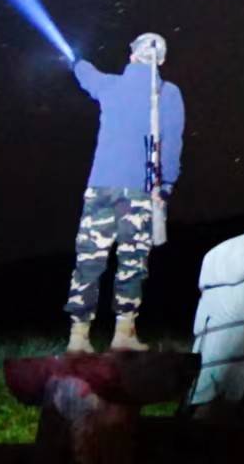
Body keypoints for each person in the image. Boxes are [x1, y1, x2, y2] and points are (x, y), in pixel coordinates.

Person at [63, 31, 186, 353]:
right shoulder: (168, 93)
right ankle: (123, 334)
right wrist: (167, 184)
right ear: (161, 60)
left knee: (89, 259)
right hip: (140, 191)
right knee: (132, 261)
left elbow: (84, 74)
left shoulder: (110, 86)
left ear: (131, 56)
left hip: (100, 187)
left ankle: (78, 337)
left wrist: (77, 60)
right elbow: (172, 144)